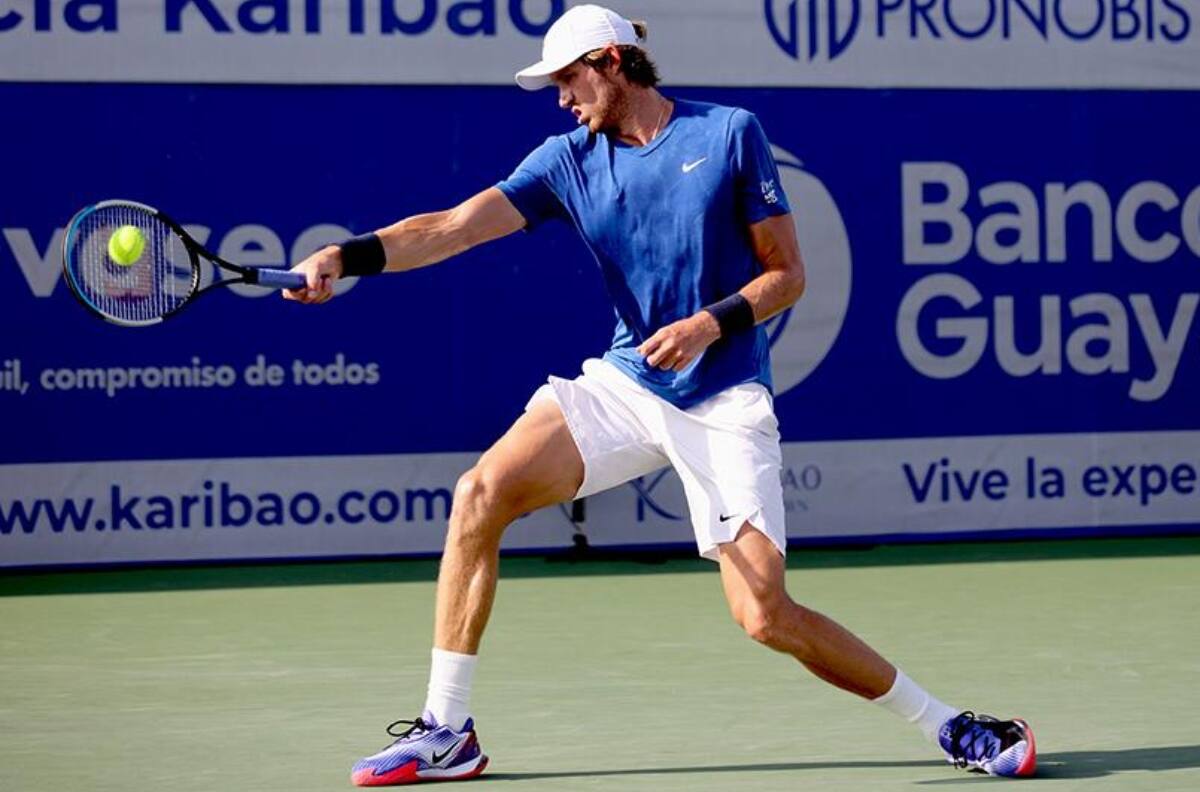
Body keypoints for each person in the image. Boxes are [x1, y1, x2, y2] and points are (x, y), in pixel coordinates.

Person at [286, 5, 1037, 786]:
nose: (560, 99)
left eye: (569, 79)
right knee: (480, 493)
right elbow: (453, 227)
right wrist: (349, 256)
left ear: (613, 62)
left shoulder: (728, 134)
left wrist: (709, 325)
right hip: (626, 382)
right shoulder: (564, 161)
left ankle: (949, 724)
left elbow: (786, 276)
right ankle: (446, 730)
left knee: (766, 617)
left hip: (723, 394)